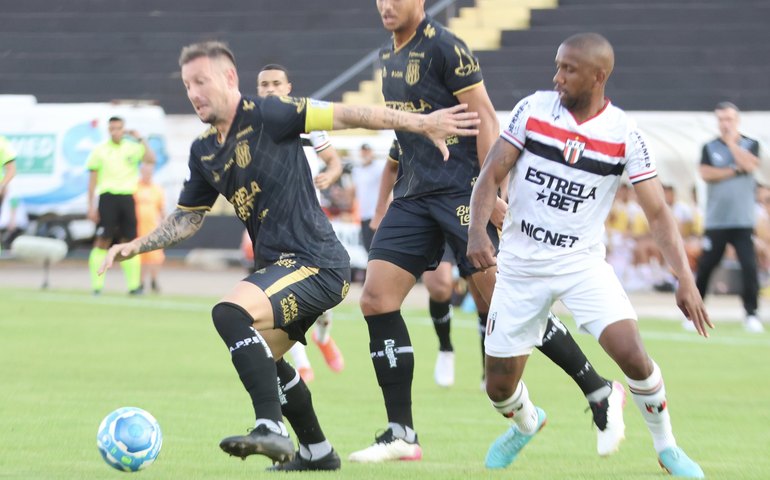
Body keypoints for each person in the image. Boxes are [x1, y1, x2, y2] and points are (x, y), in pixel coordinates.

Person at [99, 40, 480, 471]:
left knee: (228, 314)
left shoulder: (271, 113)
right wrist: (136, 245)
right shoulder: (204, 151)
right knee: (265, 354)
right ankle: (316, 450)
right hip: (283, 268)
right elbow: (188, 218)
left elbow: (350, 114)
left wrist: (420, 123)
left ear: (229, 79)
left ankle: (270, 426)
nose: (194, 93)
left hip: (315, 261)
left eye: (201, 81)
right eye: (188, 85)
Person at [350, 0, 626, 463]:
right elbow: (406, 129)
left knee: (506, 306)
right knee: (375, 300)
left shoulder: (447, 48)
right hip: (414, 193)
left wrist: (492, 190)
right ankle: (402, 433)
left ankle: (598, 391)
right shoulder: (386, 57)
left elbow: (485, 119)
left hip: (460, 191)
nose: (387, 4)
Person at [467, 32, 711, 477]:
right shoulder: (533, 110)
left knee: (632, 353)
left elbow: (657, 212)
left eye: (569, 69)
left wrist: (685, 278)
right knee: (498, 387)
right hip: (520, 266)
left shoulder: (623, 135)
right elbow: (489, 176)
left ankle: (667, 447)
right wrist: (477, 235)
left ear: (599, 76)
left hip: (581, 264)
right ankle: (526, 423)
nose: (557, 77)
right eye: (557, 66)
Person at [257, 63, 345, 381]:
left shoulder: (306, 122)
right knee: (279, 297)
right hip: (272, 227)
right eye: (264, 84)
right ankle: (302, 362)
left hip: (310, 225)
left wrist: (329, 175)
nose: (269, 89)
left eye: (276, 83)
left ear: (288, 88)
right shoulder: (252, 128)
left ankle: (321, 337)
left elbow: (333, 161)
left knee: (323, 298)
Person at [695, 102, 764, 333]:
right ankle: (694, 312)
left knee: (749, 266)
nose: (725, 123)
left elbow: (750, 165)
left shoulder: (750, 144)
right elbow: (706, 173)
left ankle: (751, 314)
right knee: (706, 266)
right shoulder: (709, 147)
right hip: (717, 220)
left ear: (737, 121)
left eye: (729, 119)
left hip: (743, 220)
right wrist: (734, 170)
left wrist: (732, 145)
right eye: (722, 119)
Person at [87, 116, 156, 295]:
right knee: (103, 240)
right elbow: (92, 180)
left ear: (123, 129)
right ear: (109, 130)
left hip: (127, 198)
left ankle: (133, 286)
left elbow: (151, 159)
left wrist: (140, 138)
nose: (115, 131)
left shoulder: (133, 147)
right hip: (107, 197)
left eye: (118, 128)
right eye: (112, 129)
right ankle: (97, 285)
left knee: (130, 241)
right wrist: (90, 205)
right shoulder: (100, 151)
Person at [134, 162, 165, 293]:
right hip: (137, 228)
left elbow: (161, 209)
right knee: (140, 257)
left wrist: (164, 225)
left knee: (156, 257)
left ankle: (154, 280)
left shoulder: (157, 189)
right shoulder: (134, 188)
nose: (147, 174)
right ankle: (140, 282)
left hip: (152, 228)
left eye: (149, 172)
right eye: (145, 171)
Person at [351, 143, 385, 253]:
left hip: (376, 214)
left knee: (378, 248)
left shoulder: (379, 167)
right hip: (364, 215)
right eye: (363, 151)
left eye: (367, 151)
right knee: (368, 247)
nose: (365, 154)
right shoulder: (357, 170)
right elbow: (355, 191)